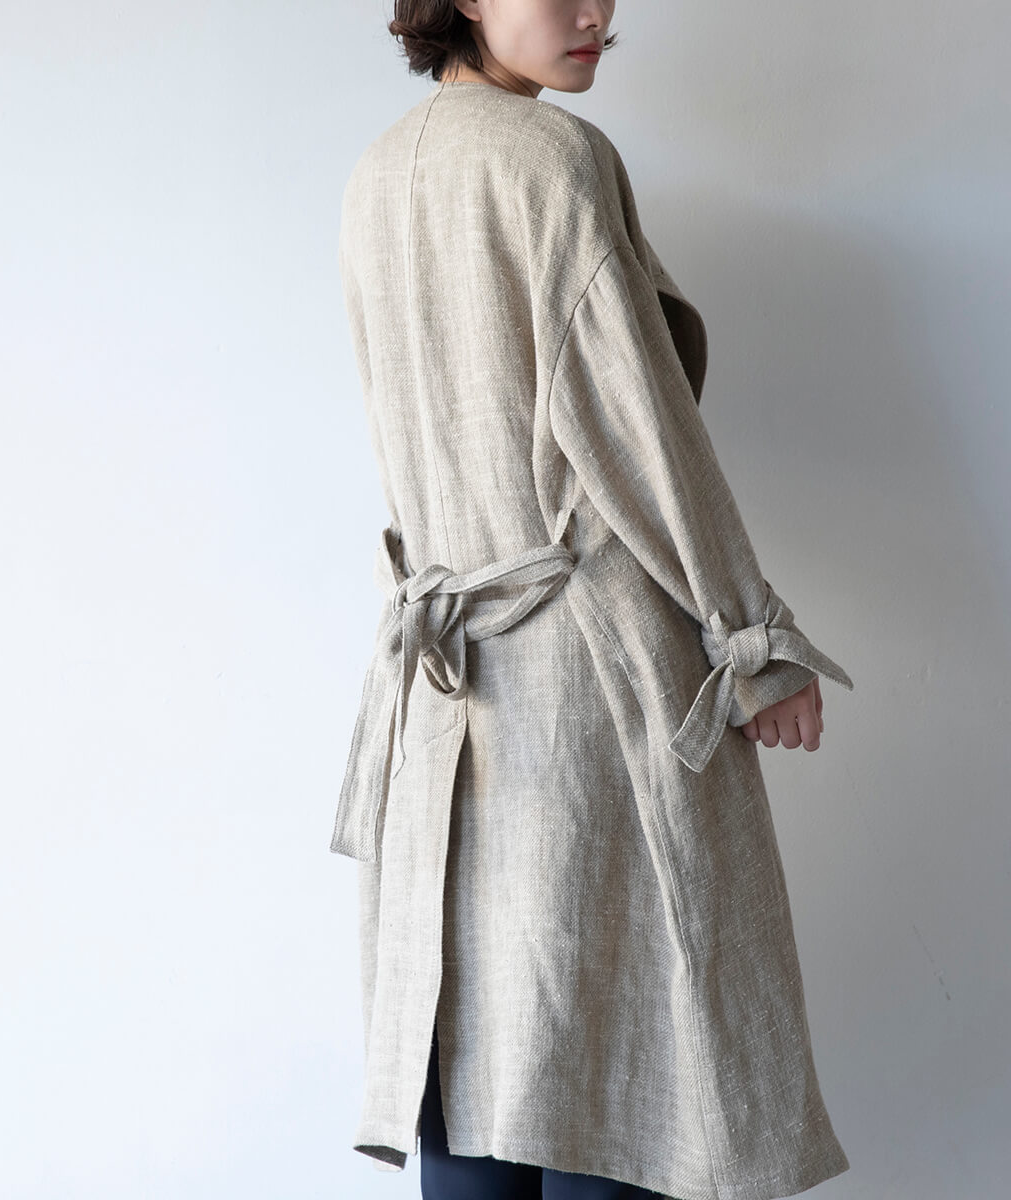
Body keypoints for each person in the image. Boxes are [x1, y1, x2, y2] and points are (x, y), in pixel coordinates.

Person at [329, 2, 855, 1198]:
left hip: (442, 701)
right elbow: (641, 433)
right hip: (583, 690)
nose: (594, 11)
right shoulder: (554, 161)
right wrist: (752, 639)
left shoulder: (373, 177)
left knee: (471, 1060)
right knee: (620, 1078)